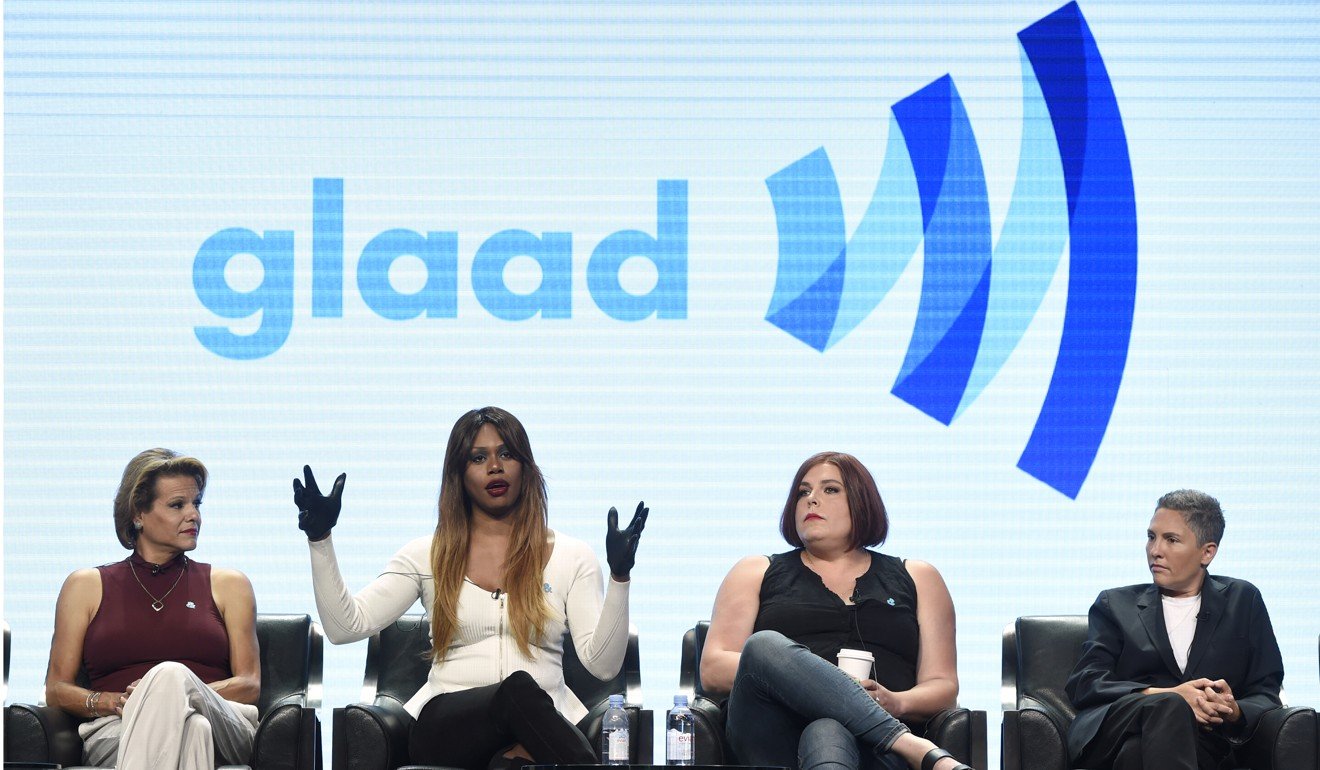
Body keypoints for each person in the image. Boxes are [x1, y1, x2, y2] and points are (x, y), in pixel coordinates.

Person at [295, 406, 648, 770]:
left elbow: (604, 667)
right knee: (517, 689)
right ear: (459, 475)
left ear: (526, 467)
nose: (494, 466)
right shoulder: (427, 555)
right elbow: (344, 627)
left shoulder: (573, 557)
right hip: (448, 728)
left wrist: (620, 577)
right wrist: (320, 539)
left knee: (511, 761)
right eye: (478, 458)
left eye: (506, 454)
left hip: (539, 726)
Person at [701, 451, 975, 770]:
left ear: (861, 501)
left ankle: (895, 739)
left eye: (829, 489)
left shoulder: (920, 577)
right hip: (774, 739)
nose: (811, 499)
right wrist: (814, 679)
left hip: (875, 753)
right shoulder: (754, 571)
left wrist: (896, 701)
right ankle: (916, 748)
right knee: (763, 646)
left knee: (827, 729)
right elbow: (713, 668)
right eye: (803, 492)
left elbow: (943, 686)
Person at [45, 448, 260, 770]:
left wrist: (173, 689)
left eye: (196, 503)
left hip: (224, 722)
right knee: (193, 730)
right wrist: (109, 701)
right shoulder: (85, 586)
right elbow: (56, 689)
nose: (194, 515)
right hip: (117, 727)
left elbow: (249, 684)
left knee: (171, 677)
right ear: (138, 515)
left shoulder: (229, 583)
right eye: (177, 505)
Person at [1065, 489, 1284, 770]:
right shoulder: (1115, 604)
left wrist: (1232, 709)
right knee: (1168, 706)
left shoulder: (1243, 600)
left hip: (1201, 743)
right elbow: (1086, 682)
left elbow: (1266, 690)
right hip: (1117, 733)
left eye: (1171, 540)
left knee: (1136, 755)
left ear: (1207, 552)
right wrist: (1164, 695)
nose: (1155, 550)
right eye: (1151, 536)